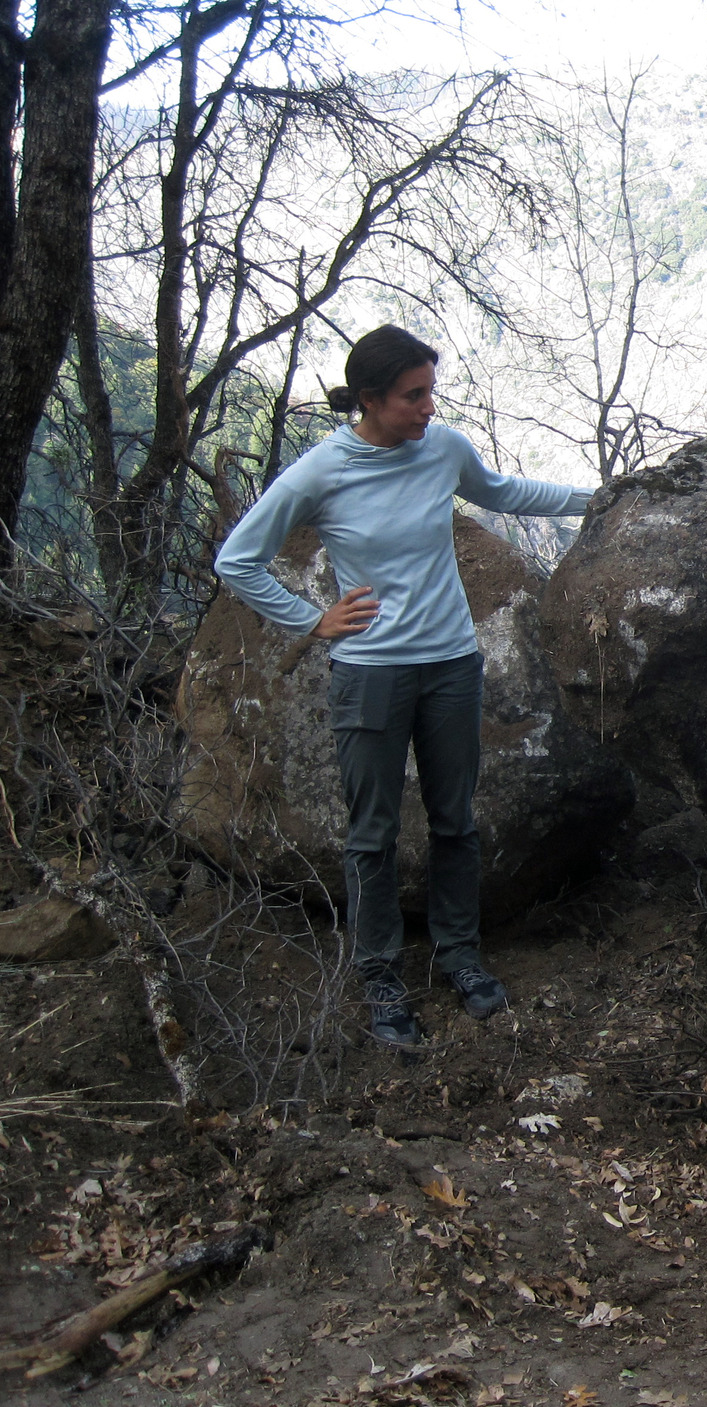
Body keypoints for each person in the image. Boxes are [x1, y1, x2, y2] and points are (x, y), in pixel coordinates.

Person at [215, 325, 598, 1047]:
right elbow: (238, 559)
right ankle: (381, 978)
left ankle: (460, 955)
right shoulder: (322, 471)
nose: (429, 407)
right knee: (373, 834)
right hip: (369, 675)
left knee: (456, 819)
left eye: (431, 391)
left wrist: (597, 499)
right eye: (413, 395)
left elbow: (505, 490)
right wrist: (312, 620)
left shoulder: (444, 449)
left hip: (453, 663)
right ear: (370, 400)